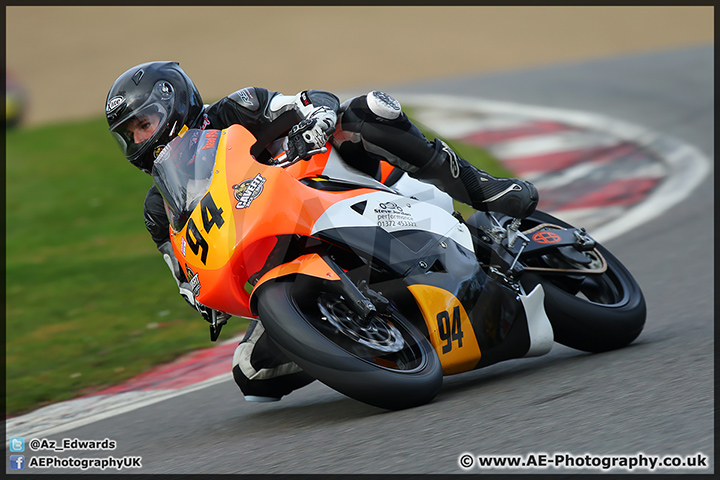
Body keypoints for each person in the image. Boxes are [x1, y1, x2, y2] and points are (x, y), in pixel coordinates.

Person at [106, 61, 538, 402]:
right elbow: (181, 269)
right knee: (250, 373)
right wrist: (199, 291)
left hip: (337, 188)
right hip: (278, 257)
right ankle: (366, 337)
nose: (140, 139)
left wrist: (315, 119)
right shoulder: (158, 207)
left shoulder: (237, 109)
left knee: (368, 111)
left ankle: (486, 190)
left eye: (144, 123)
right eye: (130, 134)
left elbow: (312, 100)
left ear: (173, 102)